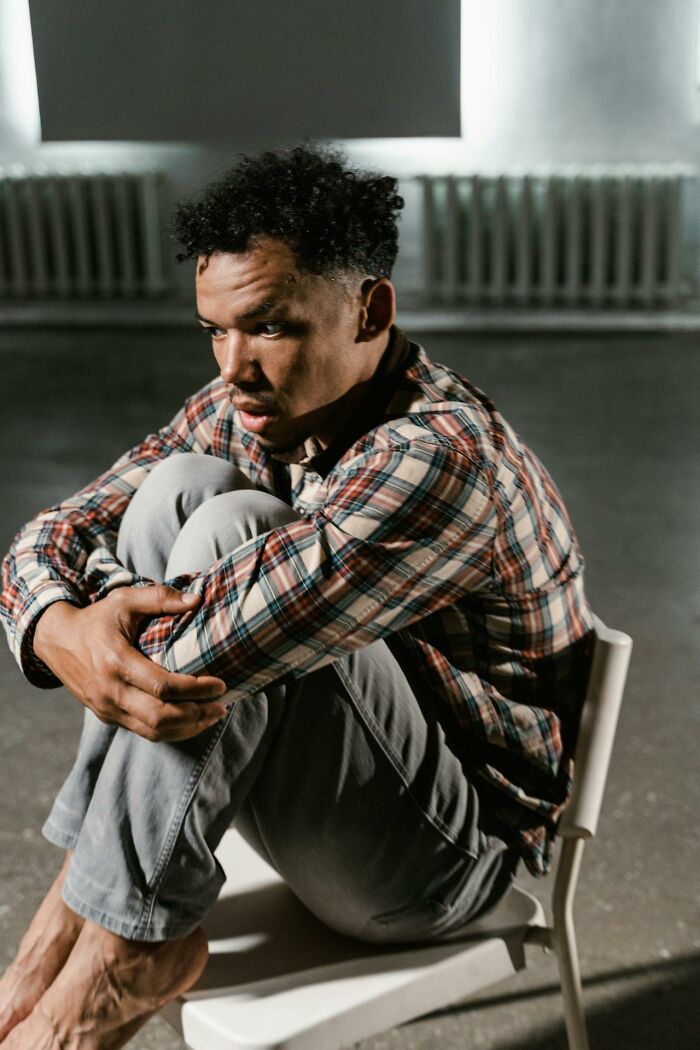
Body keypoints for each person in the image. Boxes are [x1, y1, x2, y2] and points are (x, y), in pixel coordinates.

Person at [0, 145, 593, 1048]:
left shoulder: (440, 456)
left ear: (370, 311)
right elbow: (58, 532)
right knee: (179, 490)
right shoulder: (251, 404)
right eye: (214, 330)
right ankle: (78, 919)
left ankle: (122, 949)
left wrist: (92, 626)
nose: (233, 366)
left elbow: (192, 660)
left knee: (235, 529)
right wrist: (55, 622)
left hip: (440, 865)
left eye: (269, 327)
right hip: (331, 794)